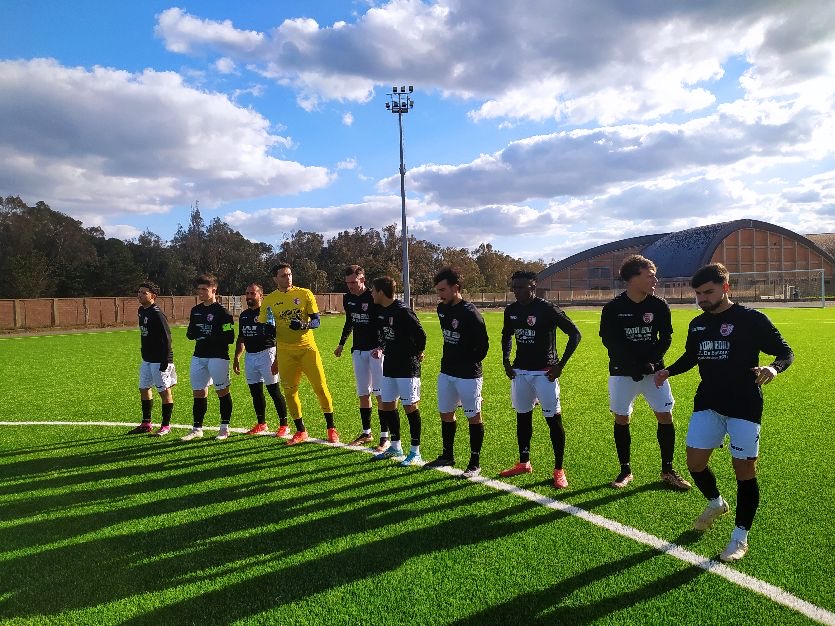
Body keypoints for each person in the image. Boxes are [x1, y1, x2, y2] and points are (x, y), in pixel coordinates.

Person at [654, 263, 794, 562]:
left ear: (725, 288)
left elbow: (785, 351)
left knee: (744, 470)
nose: (702, 298)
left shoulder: (751, 319)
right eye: (698, 294)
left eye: (708, 292)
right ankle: (716, 502)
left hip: (744, 404)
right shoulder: (697, 324)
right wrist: (669, 371)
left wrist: (773, 368)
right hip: (708, 401)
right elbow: (692, 356)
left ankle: (740, 537)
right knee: (695, 464)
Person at [599, 255, 691, 490]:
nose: (655, 280)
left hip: (653, 372)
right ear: (633, 278)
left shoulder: (659, 305)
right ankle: (625, 471)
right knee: (622, 418)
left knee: (665, 416)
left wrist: (650, 362)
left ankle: (668, 470)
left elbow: (666, 338)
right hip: (622, 372)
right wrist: (633, 364)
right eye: (650, 276)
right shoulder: (613, 308)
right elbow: (610, 341)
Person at [499, 270, 581, 488]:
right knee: (522, 417)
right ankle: (524, 462)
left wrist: (560, 365)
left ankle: (559, 469)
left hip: (545, 373)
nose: (516, 291)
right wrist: (506, 360)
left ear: (533, 287)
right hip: (520, 373)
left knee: (553, 420)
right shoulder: (511, 310)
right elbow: (506, 335)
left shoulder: (547, 309)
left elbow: (575, 334)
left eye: (520, 287)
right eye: (514, 287)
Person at [259, 262, 339, 445]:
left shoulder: (304, 293)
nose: (288, 278)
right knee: (290, 392)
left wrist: (305, 325)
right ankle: (301, 430)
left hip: (307, 349)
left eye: (289, 274)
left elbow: (317, 321)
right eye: (283, 275)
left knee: (321, 387)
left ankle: (331, 428)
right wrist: (268, 330)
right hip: (285, 351)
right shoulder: (270, 300)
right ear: (275, 279)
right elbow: (264, 325)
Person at [424, 267, 489, 478]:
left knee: (473, 416)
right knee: (445, 413)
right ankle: (447, 455)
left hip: (468, 375)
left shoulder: (471, 313)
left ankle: (474, 463)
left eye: (443, 290)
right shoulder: (441, 309)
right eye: (438, 290)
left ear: (456, 288)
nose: (439, 294)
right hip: (446, 372)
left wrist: (467, 362)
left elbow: (483, 347)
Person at [370, 275, 427, 466]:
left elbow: (421, 335)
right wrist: (382, 347)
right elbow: (383, 334)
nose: (371, 293)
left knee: (410, 407)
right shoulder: (380, 310)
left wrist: (418, 352)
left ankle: (415, 451)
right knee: (387, 404)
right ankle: (395, 446)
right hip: (389, 366)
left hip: (407, 367)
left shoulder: (403, 311)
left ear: (381, 292)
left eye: (373, 290)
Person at [334, 265, 387, 449]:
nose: (350, 286)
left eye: (353, 282)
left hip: (375, 352)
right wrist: (342, 343)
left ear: (362, 279)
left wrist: (382, 347)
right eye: (347, 282)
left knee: (380, 394)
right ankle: (367, 433)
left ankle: (385, 436)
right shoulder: (347, 298)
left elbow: (384, 324)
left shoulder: (373, 297)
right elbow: (349, 321)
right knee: (363, 393)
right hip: (358, 351)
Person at [182, 274, 235, 441]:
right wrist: (194, 333)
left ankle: (224, 428)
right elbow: (190, 333)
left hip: (218, 357)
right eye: (199, 289)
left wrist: (210, 335)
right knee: (198, 392)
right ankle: (197, 428)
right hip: (199, 356)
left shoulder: (223, 313)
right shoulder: (195, 310)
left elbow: (230, 337)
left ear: (214, 290)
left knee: (222, 392)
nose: (201, 292)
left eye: (204, 289)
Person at [233, 283, 289, 437]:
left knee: (274, 390)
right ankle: (261, 423)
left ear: (260, 295)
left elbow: (278, 337)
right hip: (250, 357)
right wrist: (237, 357)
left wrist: (276, 359)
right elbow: (241, 338)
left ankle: (284, 425)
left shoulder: (268, 312)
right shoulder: (244, 315)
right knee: (255, 392)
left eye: (252, 293)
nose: (249, 296)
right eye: (247, 293)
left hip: (267, 354)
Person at [131, 281, 177, 436]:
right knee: (144, 388)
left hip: (160, 359)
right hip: (147, 359)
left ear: (153, 296)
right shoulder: (141, 310)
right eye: (139, 292)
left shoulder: (157, 314)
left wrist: (165, 360)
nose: (140, 295)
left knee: (164, 391)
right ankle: (146, 423)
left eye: (144, 293)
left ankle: (166, 425)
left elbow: (167, 338)